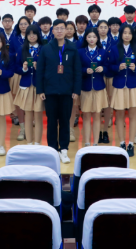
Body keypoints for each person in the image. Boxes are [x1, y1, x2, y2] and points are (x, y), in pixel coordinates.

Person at [36, 19, 82, 164]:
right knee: (51, 122)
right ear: (53, 31)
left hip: (67, 91)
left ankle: (64, 150)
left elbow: (77, 71)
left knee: (65, 121)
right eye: (57, 28)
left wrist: (76, 90)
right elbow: (40, 71)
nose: (60, 31)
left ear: (67, 30)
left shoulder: (72, 48)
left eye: (62, 28)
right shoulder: (46, 48)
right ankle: (53, 150)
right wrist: (40, 90)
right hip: (50, 91)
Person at [108, 24, 136, 157]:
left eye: (129, 33)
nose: (127, 35)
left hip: (133, 85)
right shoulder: (115, 48)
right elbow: (110, 66)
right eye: (125, 33)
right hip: (119, 85)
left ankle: (131, 143)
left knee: (134, 115)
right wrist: (118, 67)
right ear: (121, 34)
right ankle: (122, 143)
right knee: (119, 115)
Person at [14, 25, 45, 145]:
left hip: (39, 86)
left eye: (34, 33)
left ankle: (37, 143)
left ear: (38, 35)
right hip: (26, 86)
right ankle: (29, 142)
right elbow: (16, 68)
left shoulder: (44, 49)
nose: (32, 36)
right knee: (27, 115)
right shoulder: (22, 49)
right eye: (29, 34)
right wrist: (24, 68)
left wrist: (39, 68)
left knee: (38, 115)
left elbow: (49, 67)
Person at [78, 28, 109, 146]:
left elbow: (107, 67)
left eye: (94, 37)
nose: (92, 39)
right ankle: (87, 143)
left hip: (99, 87)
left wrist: (103, 68)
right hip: (85, 87)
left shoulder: (102, 51)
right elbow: (77, 68)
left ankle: (95, 143)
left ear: (97, 38)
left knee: (97, 115)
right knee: (86, 115)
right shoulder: (80, 52)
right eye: (89, 37)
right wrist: (85, 70)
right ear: (86, 38)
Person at [97, 20, 114, 143]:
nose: (103, 29)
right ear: (97, 28)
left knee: (108, 104)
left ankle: (105, 131)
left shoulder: (114, 42)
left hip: (110, 76)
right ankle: (98, 131)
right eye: (101, 27)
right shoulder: (92, 40)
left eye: (105, 27)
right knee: (98, 105)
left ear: (108, 28)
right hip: (97, 77)